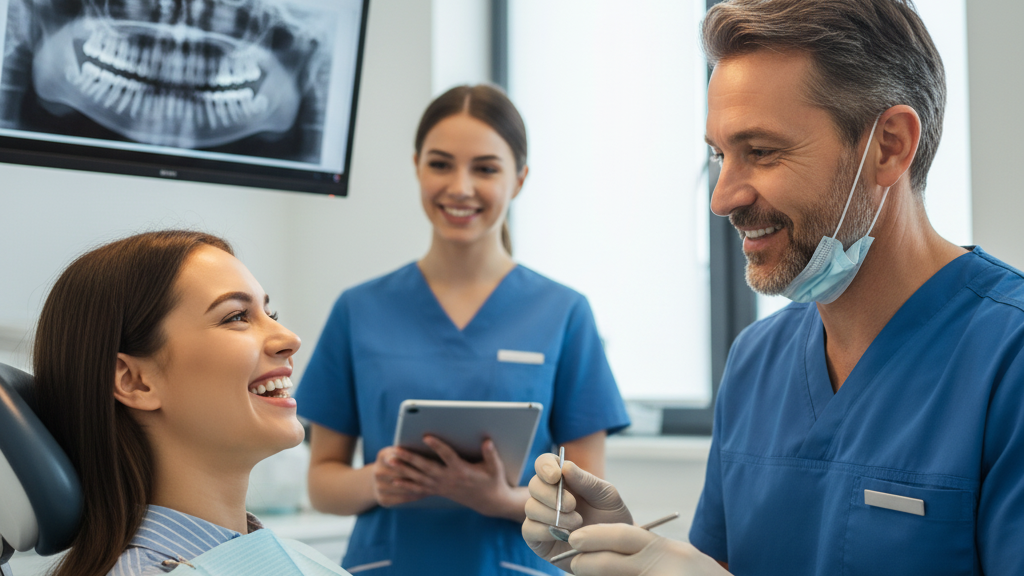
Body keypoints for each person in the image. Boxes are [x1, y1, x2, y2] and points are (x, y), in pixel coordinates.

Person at [522, 1, 1024, 575]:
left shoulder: (1008, 360)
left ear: (888, 146)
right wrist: (617, 549)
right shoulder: (756, 362)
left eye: (760, 152)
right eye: (719, 154)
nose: (722, 198)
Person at [295, 84, 630, 575]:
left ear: (519, 179)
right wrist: (376, 483)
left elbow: (586, 499)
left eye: (486, 168)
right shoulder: (359, 309)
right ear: (416, 167)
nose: (460, 186)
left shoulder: (564, 312)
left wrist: (498, 499)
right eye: (440, 163)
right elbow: (322, 484)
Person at [32, 230, 340, 576]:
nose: (290, 339)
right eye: (237, 316)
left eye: (271, 314)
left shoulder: (259, 554)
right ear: (135, 381)